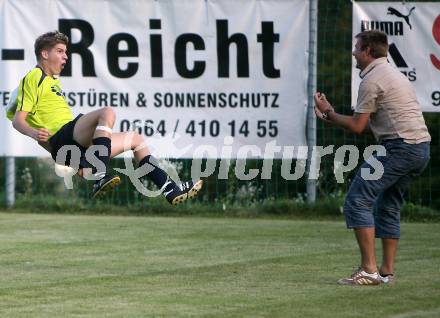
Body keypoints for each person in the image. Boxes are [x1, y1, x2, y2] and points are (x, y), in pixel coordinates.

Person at [7, 30, 203, 204]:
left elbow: (46, 130)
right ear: (44, 54)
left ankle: (169, 188)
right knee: (107, 112)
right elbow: (18, 120)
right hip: (65, 138)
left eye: (65, 52)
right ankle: (100, 174)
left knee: (135, 139)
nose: (65, 57)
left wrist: (72, 160)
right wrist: (36, 135)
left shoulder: (52, 82)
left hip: (71, 145)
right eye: (60, 51)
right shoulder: (35, 77)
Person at [314, 30, 430, 285]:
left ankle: (368, 270)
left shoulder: (371, 80)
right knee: (388, 205)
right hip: (420, 148)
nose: (353, 53)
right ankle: (387, 271)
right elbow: (370, 126)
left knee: (358, 199)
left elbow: (357, 127)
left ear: (367, 51)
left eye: (357, 48)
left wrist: (329, 113)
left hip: (400, 148)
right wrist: (332, 116)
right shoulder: (392, 74)